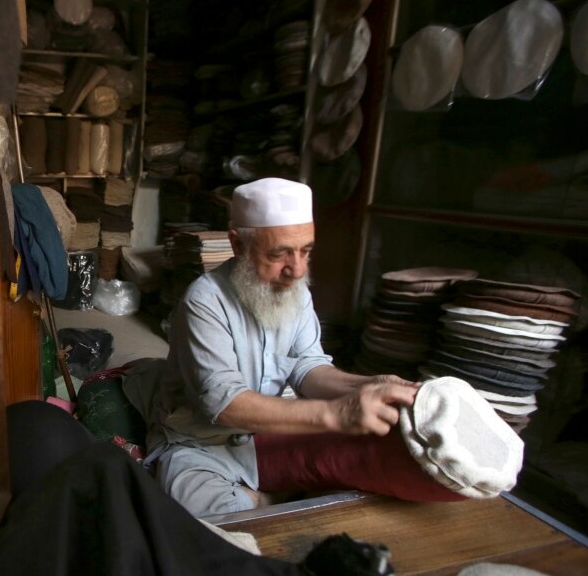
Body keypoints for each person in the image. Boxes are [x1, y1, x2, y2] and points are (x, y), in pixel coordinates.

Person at [128, 177, 421, 517]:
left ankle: (269, 495)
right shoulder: (204, 301)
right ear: (238, 245)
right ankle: (267, 500)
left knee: (369, 458)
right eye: (279, 253)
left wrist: (368, 384)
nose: (296, 270)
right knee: (194, 507)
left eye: (305, 251)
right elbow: (223, 404)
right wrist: (336, 414)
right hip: (200, 442)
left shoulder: (296, 293)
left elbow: (307, 367)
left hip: (264, 432)